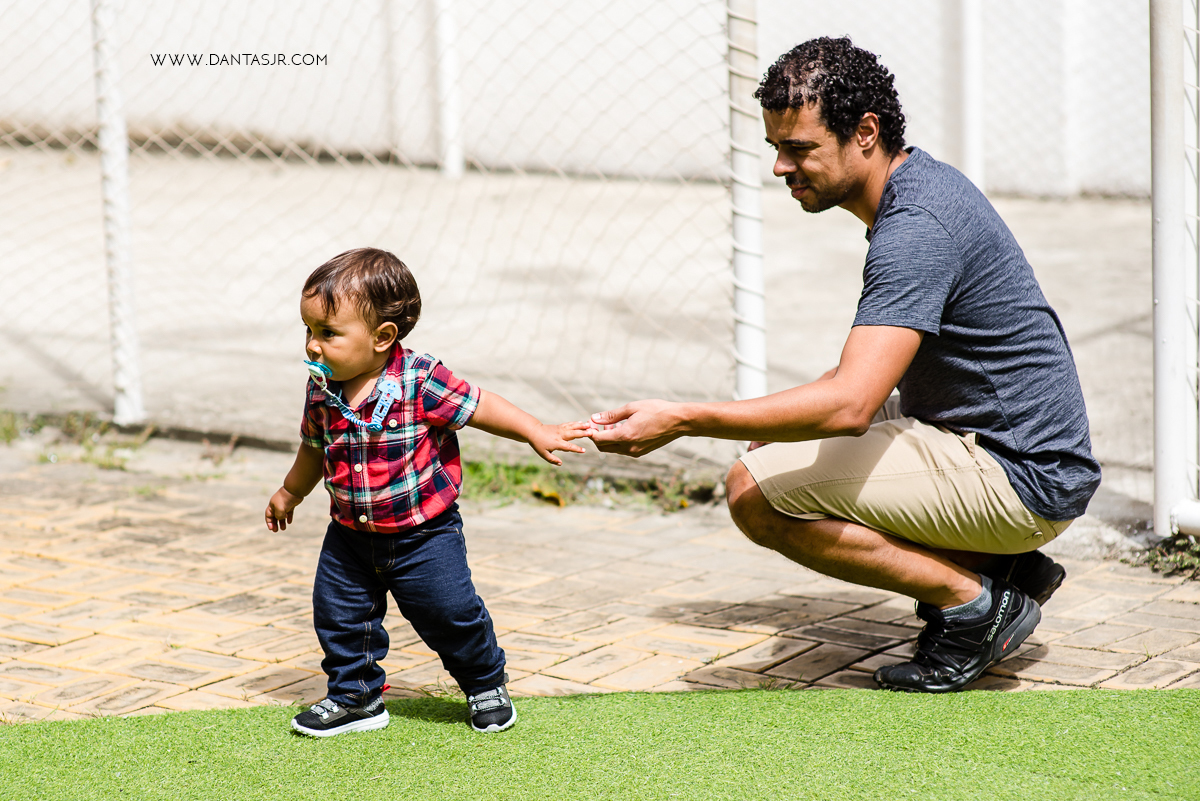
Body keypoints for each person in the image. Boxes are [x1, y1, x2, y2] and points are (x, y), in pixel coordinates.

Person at [588, 37, 1100, 693]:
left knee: (753, 488)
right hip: (1007, 447)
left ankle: (976, 602)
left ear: (865, 132)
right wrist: (779, 425)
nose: (779, 166)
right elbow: (855, 390)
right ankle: (999, 568)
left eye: (798, 149)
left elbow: (850, 403)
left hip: (1021, 472)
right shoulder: (916, 190)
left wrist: (684, 417)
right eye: (777, 147)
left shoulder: (916, 224)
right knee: (778, 442)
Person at [266, 247, 590, 735]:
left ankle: (484, 683)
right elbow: (314, 448)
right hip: (351, 534)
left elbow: (479, 406)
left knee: (451, 614)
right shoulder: (322, 388)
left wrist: (534, 429)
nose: (313, 345)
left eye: (328, 333)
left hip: (425, 536)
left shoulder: (419, 379)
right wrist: (291, 492)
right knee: (339, 616)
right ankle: (355, 696)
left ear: (382, 337)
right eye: (309, 330)